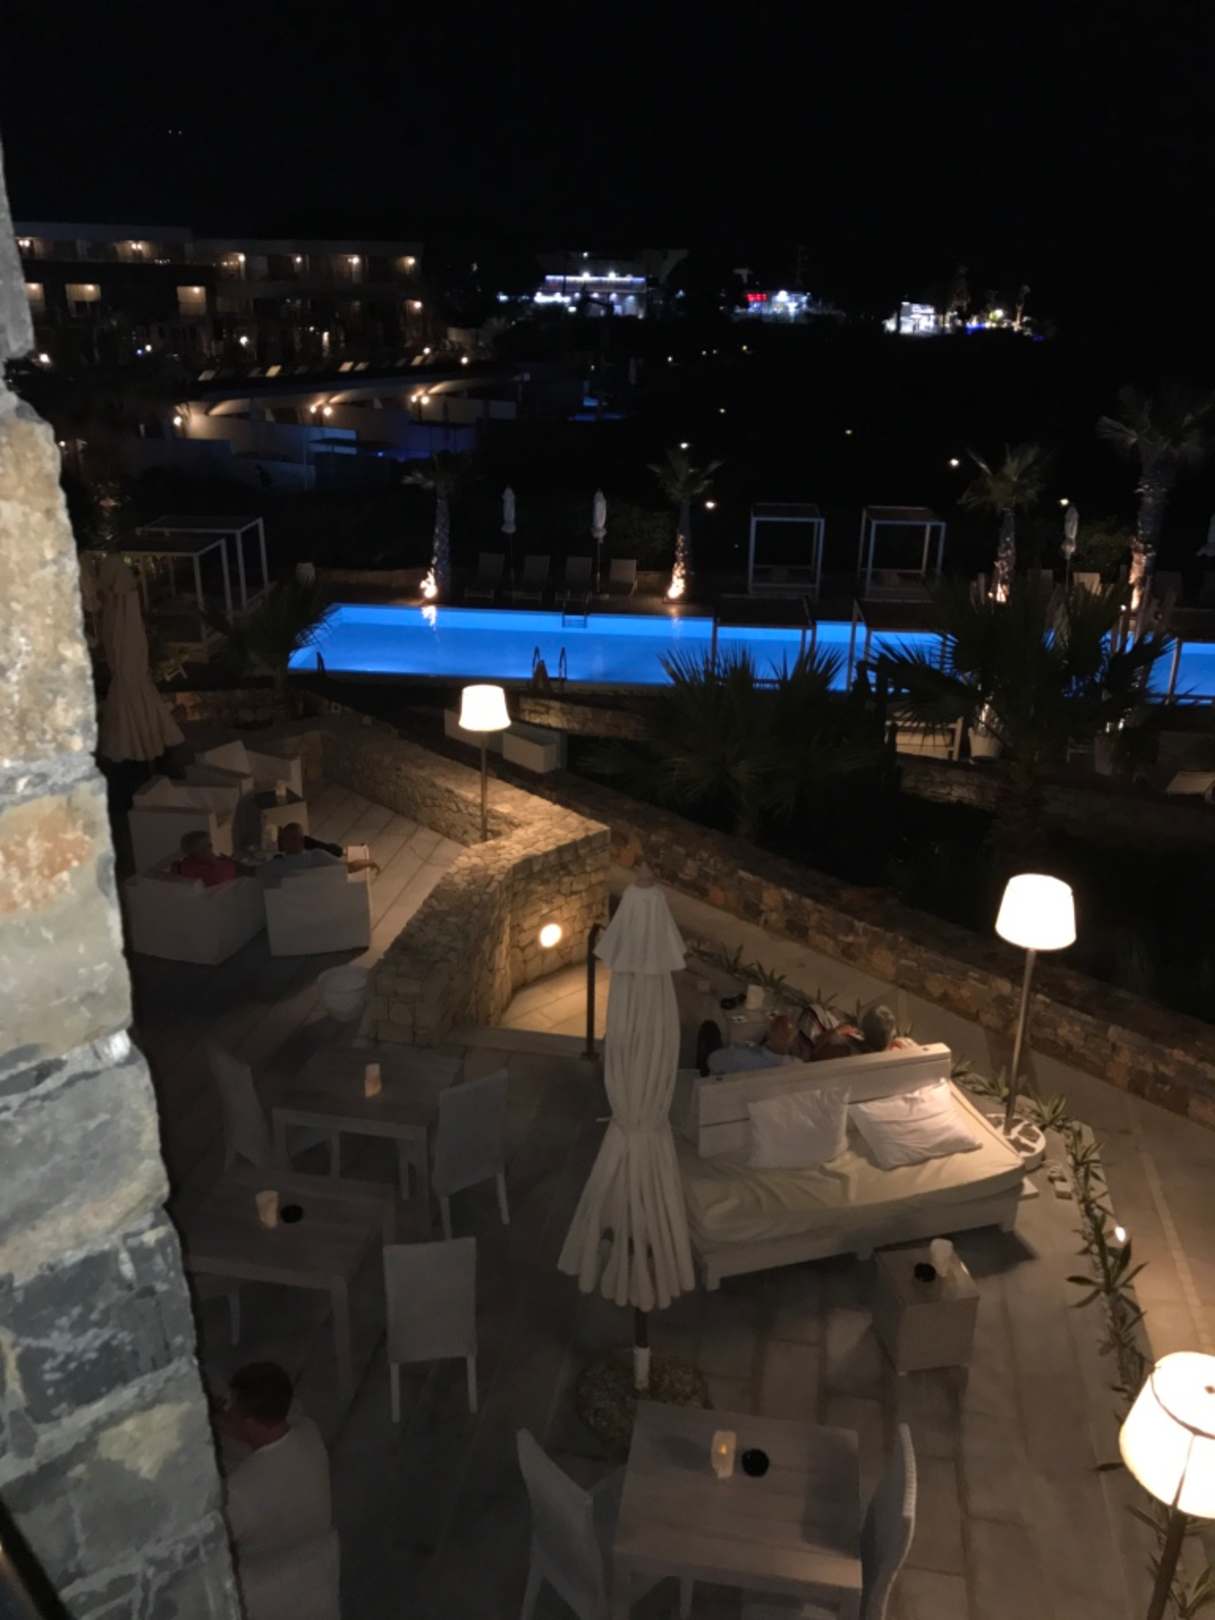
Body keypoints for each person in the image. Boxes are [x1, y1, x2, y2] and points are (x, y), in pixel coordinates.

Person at [223, 1362, 332, 1561]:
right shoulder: (309, 1431)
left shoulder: (239, 1492)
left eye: (231, 1407)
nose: (227, 1411)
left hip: (263, 1574)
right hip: (321, 1561)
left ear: (251, 1424)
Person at [275, 821, 380, 876]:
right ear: (302, 841)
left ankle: (342, 851)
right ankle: (344, 851)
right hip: (322, 893)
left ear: (283, 844)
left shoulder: (277, 865)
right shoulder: (317, 857)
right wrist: (370, 862)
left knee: (316, 845)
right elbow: (350, 868)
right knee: (318, 846)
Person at [175, 829, 253, 887]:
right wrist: (231, 862)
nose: (211, 847)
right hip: (234, 878)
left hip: (236, 871)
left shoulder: (202, 860)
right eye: (208, 845)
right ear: (198, 850)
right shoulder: (193, 867)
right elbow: (219, 877)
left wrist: (226, 859)